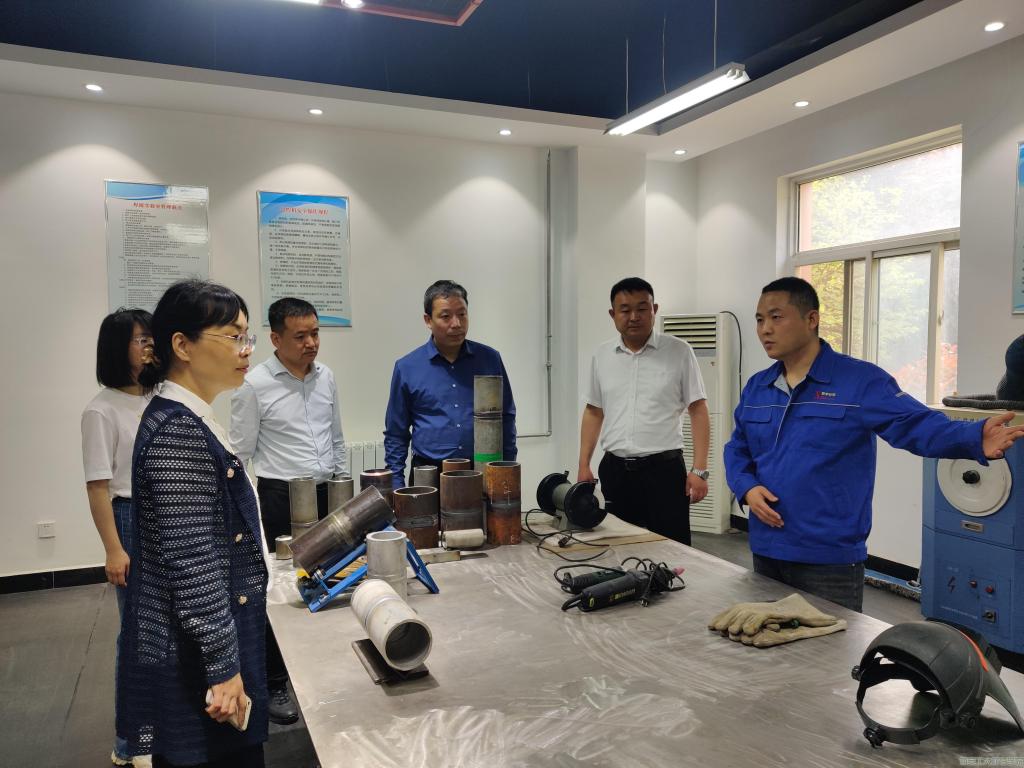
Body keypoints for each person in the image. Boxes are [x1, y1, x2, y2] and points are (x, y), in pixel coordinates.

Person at [724, 276, 1024, 612]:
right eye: (760, 319)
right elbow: (737, 448)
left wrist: (972, 436)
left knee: (830, 644)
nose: (765, 329)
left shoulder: (859, 381)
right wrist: (747, 487)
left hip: (828, 558)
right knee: (767, 636)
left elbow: (914, 423)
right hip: (767, 546)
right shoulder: (758, 387)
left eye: (776, 317)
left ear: (812, 319)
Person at [119, 280, 268, 767]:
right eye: (233, 336)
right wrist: (223, 666)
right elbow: (193, 563)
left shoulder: (187, 418)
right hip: (195, 658)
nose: (246, 350)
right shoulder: (178, 432)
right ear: (182, 345)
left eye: (247, 336)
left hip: (200, 645)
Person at [230, 296, 345, 724]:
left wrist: (342, 489)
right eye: (300, 336)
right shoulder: (253, 384)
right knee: (280, 592)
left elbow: (336, 438)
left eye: (315, 333)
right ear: (276, 339)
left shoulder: (326, 377)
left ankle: (325, 668)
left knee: (332, 582)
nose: (311, 343)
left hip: (326, 495)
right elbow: (239, 453)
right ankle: (275, 681)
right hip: (279, 499)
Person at [577, 277, 710, 546]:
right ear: (613, 314)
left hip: (664, 471)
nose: (634, 317)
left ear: (654, 310)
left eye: (642, 308)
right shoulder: (602, 355)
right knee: (618, 546)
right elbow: (593, 411)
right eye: (625, 310)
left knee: (673, 548)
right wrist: (583, 464)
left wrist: (699, 470)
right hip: (615, 471)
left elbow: (698, 410)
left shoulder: (679, 352)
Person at [81, 308, 153, 767]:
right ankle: (130, 742)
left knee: (166, 630)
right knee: (137, 634)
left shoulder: (161, 397)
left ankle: (162, 730)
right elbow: (98, 487)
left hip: (165, 514)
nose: (149, 346)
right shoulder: (101, 409)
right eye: (139, 339)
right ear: (116, 348)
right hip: (129, 517)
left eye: (151, 338)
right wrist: (113, 548)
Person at [384, 280, 516, 487]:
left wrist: (506, 470)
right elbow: (396, 434)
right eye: (446, 316)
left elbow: (506, 417)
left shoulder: (490, 359)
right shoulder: (407, 367)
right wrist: (396, 485)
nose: (456, 324)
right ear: (428, 320)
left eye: (462, 314)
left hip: (483, 470)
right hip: (428, 475)